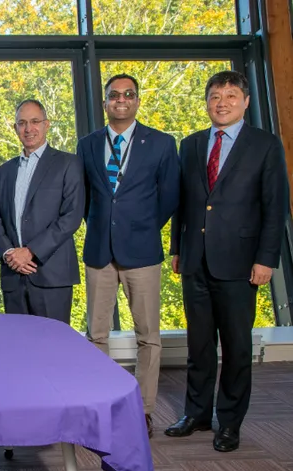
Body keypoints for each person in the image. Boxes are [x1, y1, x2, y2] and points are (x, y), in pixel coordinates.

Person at [165, 71, 289, 452]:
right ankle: (197, 414)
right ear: (207, 102)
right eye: (215, 96)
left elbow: (275, 207)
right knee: (199, 345)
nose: (222, 103)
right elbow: (183, 203)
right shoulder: (191, 145)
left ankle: (230, 422)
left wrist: (267, 259)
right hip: (195, 259)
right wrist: (176, 248)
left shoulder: (265, 145)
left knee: (235, 346)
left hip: (240, 261)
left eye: (231, 95)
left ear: (246, 101)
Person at [77, 74, 180, 438]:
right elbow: (87, 199)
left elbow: (169, 198)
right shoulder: (88, 144)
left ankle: (144, 409)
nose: (121, 100)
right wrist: (106, 226)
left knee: (148, 336)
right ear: (105, 102)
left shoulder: (162, 144)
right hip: (99, 253)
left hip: (142, 251)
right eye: (114, 95)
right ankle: (102, 405)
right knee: (96, 335)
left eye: (129, 94)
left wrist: (137, 227)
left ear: (137, 101)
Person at [0, 99, 84, 323]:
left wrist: (30, 252)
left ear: (46, 124)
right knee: (17, 347)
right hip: (13, 274)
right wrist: (9, 253)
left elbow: (71, 217)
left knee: (53, 350)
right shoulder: (6, 170)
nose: (28, 129)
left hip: (51, 275)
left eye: (34, 121)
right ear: (15, 128)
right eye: (22, 123)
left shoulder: (68, 164)